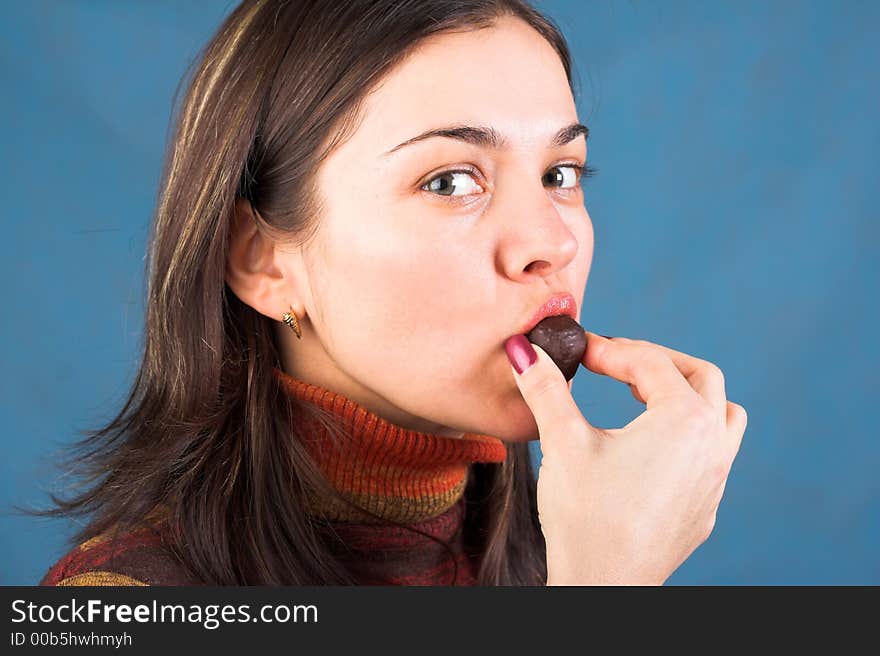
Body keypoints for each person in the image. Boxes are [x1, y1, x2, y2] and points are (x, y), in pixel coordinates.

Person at [37, 0, 747, 586]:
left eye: (560, 173)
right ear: (263, 262)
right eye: (449, 182)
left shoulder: (560, 540)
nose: (552, 244)